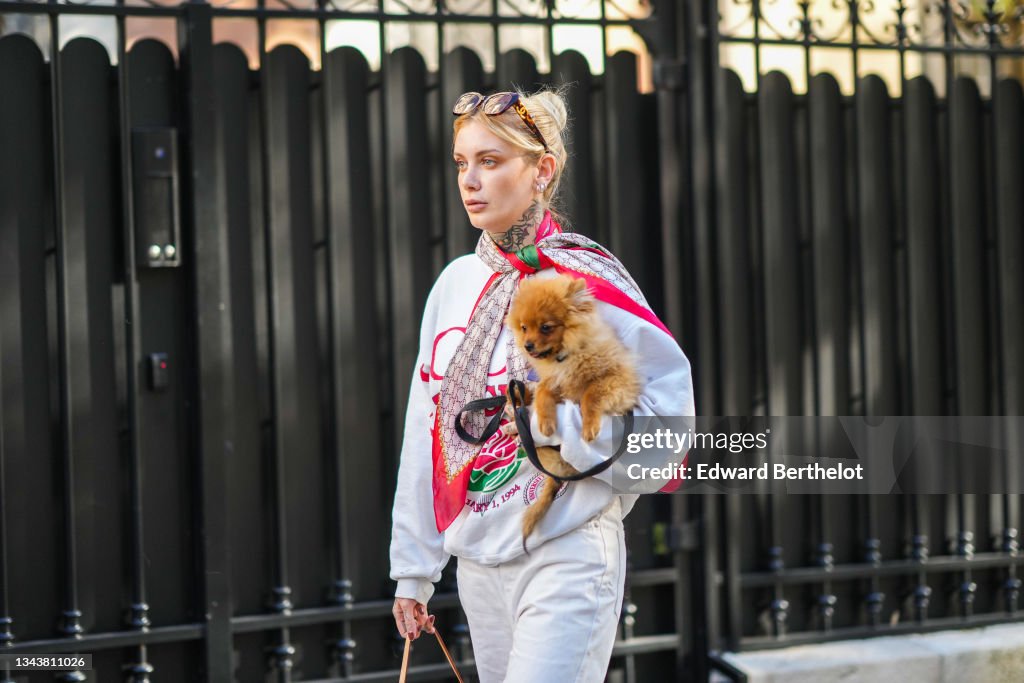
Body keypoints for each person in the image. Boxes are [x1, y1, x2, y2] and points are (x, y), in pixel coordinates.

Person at [389, 87, 694, 682]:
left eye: (491, 161)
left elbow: (667, 432)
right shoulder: (454, 285)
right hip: (478, 560)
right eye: (462, 162)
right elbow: (425, 427)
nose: (470, 181)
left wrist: (555, 427)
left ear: (542, 170)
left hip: (569, 551)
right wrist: (414, 570)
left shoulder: (585, 281)